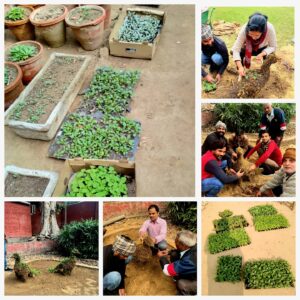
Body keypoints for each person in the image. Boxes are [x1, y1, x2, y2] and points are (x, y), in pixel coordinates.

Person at [232, 13, 277, 77]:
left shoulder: (270, 29)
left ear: (263, 32)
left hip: (262, 48)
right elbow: (236, 49)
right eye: (251, 34)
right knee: (238, 54)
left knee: (270, 56)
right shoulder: (244, 30)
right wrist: (240, 67)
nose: (253, 38)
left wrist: (263, 53)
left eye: (257, 35)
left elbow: (273, 46)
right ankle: (241, 72)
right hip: (247, 47)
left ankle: (264, 74)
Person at [157, 230, 197, 295]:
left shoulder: (190, 260)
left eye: (176, 241)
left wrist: (162, 258)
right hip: (193, 270)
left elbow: (167, 270)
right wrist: (169, 252)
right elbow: (179, 250)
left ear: (183, 245)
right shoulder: (193, 244)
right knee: (174, 253)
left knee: (182, 284)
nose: (174, 242)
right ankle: (177, 276)